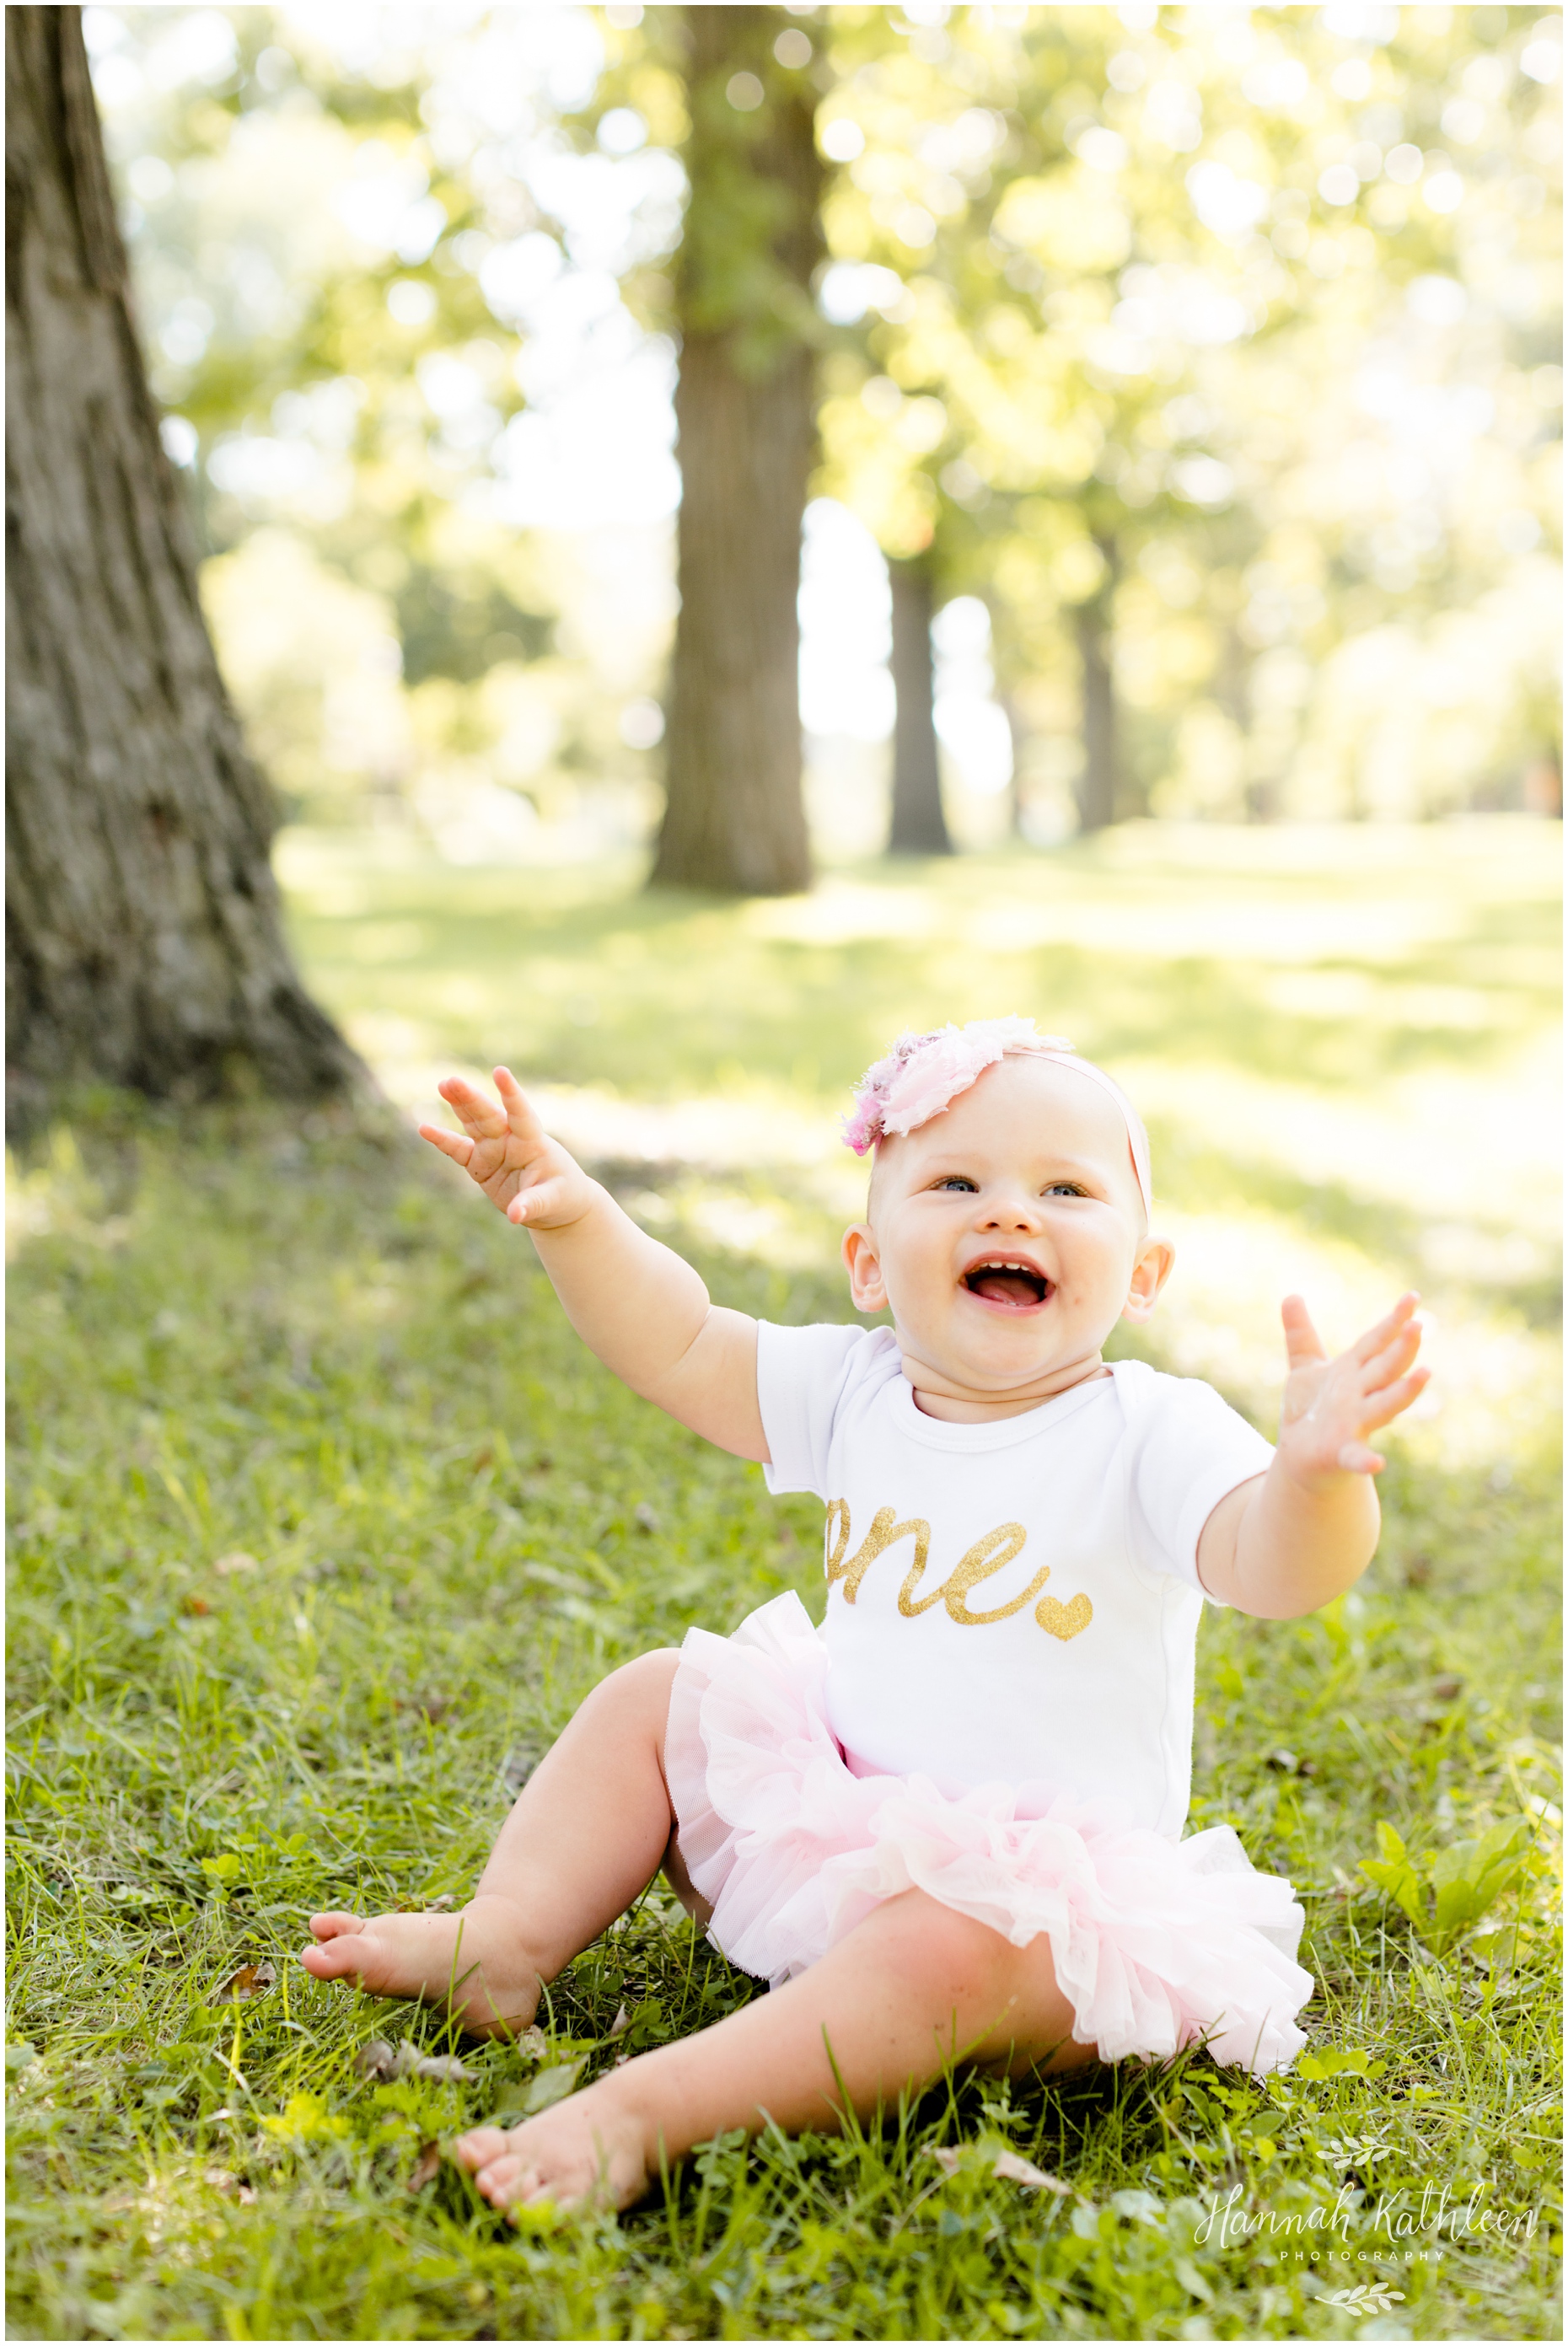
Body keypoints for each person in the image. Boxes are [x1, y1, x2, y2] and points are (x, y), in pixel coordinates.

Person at [300, 1018, 1428, 2215]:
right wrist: (575, 1215)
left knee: (945, 1945)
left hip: (1037, 1926)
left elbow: (1275, 1566)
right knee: (654, 1697)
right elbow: (678, 1340)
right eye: (956, 1182)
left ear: (1143, 1274)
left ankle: (643, 2114)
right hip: (838, 1836)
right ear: (870, 1267)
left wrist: (1314, 1481)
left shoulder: (1152, 1430)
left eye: (1067, 1188)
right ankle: (507, 1942)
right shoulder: (857, 1389)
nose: (1011, 1214)